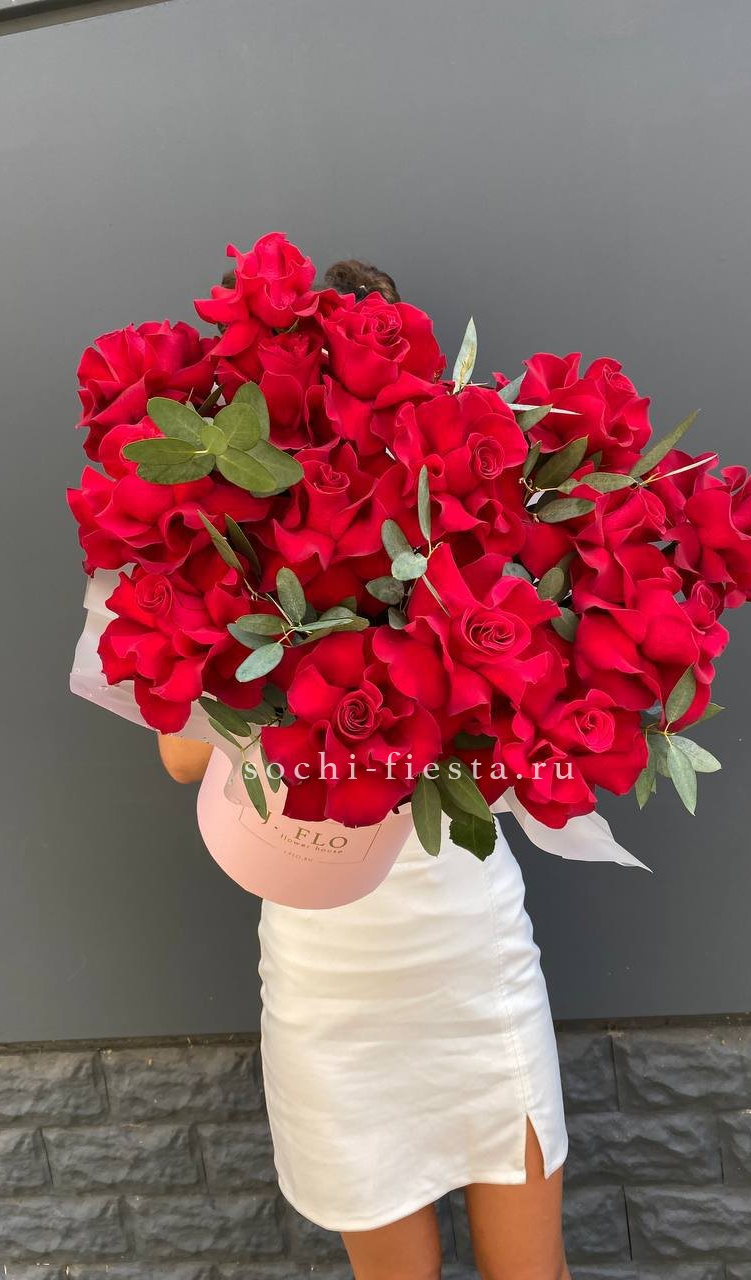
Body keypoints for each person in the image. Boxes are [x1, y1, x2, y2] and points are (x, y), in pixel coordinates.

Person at [156, 258, 572, 1280]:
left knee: (535, 1273)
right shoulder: (235, 548)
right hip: (330, 977)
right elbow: (181, 754)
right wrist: (271, 635)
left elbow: (522, 739)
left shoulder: (475, 526)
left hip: (469, 948)